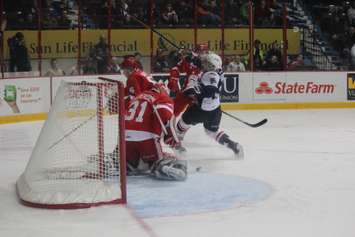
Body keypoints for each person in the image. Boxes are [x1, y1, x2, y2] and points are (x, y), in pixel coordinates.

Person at [175, 52, 244, 158]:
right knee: (211, 132)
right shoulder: (218, 71)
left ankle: (178, 147)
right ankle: (234, 145)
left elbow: (211, 89)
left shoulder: (210, 74)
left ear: (212, 66)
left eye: (207, 63)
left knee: (181, 125)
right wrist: (194, 58)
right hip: (215, 110)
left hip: (200, 110)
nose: (204, 64)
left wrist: (196, 92)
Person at [123, 84, 187, 181]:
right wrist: (174, 142)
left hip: (125, 137)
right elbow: (165, 117)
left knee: (132, 164)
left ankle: (129, 164)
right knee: (158, 161)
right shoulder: (162, 97)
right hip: (146, 138)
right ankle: (161, 167)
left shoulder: (138, 97)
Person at [167, 43, 207, 117]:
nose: (201, 53)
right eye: (199, 51)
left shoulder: (209, 63)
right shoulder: (189, 59)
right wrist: (174, 79)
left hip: (199, 95)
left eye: (203, 51)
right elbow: (176, 68)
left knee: (196, 116)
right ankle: (168, 126)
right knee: (173, 112)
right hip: (187, 91)